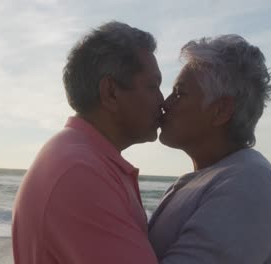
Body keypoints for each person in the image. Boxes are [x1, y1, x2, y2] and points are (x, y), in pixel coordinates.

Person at [12, 21, 163, 264]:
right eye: (153, 86)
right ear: (111, 92)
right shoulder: (82, 172)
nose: (162, 100)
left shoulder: (77, 156)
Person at [148, 35, 271, 263]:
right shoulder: (220, 176)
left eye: (179, 94)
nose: (166, 104)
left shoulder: (248, 183)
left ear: (221, 110)